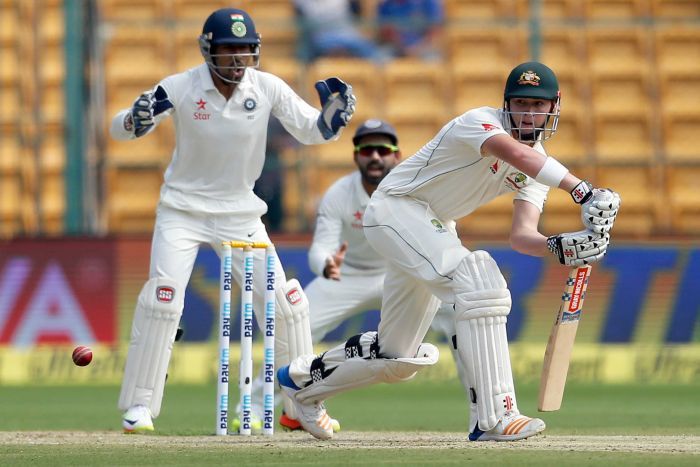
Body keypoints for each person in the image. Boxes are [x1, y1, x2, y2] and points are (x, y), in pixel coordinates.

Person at [277, 61, 621, 441]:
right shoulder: (479, 123)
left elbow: (522, 236)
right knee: (479, 281)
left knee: (397, 357)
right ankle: (495, 417)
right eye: (521, 102)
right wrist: (583, 191)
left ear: (554, 107)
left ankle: (303, 382)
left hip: (430, 226)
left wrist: (560, 246)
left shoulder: (539, 168)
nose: (528, 113)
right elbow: (519, 156)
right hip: (397, 207)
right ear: (506, 103)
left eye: (538, 106)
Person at [109, 7, 355, 433]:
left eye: (245, 50)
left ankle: (301, 408)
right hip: (182, 212)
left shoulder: (267, 87)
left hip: (241, 212)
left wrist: (331, 121)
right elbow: (120, 130)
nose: (238, 59)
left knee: (286, 306)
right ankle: (139, 406)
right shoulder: (183, 86)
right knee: (163, 299)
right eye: (229, 50)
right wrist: (134, 118)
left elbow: (310, 131)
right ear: (209, 51)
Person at [377, 0, 444, 60]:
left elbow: (435, 31)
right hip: (396, 48)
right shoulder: (386, 5)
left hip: (425, 48)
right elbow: (384, 33)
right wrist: (402, 47)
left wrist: (418, 48)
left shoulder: (429, 2)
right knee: (380, 58)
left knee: (432, 61)